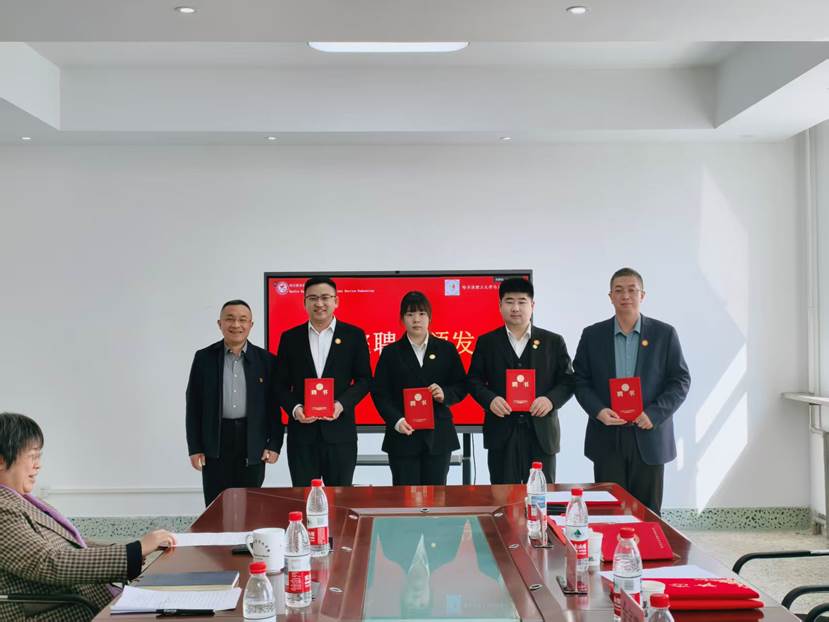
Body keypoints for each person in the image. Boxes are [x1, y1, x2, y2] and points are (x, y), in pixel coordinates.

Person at [0, 412, 175, 622]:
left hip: (78, 600)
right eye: (32, 456)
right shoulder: (3, 508)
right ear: (1, 460)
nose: (38, 465)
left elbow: (73, 544)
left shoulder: (24, 501)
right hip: (58, 610)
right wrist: (134, 551)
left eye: (39, 456)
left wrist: (135, 549)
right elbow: (48, 563)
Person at [573, 267, 690, 514]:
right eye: (618, 290)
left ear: (642, 295)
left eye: (631, 290)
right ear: (610, 297)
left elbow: (680, 381)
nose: (625, 296)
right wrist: (598, 411)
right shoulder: (593, 335)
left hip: (649, 434)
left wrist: (654, 414)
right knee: (608, 511)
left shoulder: (664, 334)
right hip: (607, 436)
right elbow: (580, 381)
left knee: (647, 513)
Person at [467, 277, 575, 484]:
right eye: (509, 301)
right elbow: (473, 380)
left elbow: (568, 380)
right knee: (502, 495)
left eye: (522, 301)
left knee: (542, 494)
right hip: (501, 433)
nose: (515, 308)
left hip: (541, 434)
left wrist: (550, 400)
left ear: (532, 305)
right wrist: (490, 400)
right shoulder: (487, 342)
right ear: (500, 305)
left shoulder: (553, 342)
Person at [276, 277, 372, 486]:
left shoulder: (354, 335)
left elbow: (365, 380)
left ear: (336, 301)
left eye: (325, 297)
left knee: (340, 497)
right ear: (304, 302)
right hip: (302, 437)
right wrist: (295, 409)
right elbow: (279, 385)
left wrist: (341, 405)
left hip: (341, 435)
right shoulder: (290, 338)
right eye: (313, 298)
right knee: (304, 496)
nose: (319, 303)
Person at [186, 299, 282, 506]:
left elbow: (274, 407)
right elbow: (193, 406)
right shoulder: (204, 358)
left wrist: (274, 444)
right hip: (216, 440)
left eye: (242, 319)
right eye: (230, 319)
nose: (236, 325)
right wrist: (194, 447)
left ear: (251, 324)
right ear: (219, 323)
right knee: (216, 504)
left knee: (251, 504)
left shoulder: (266, 360)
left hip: (252, 440)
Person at [372, 291, 467, 485]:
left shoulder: (446, 349)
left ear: (430, 317)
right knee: (404, 497)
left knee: (436, 496)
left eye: (422, 314)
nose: (416, 319)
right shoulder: (390, 353)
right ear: (402, 319)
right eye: (410, 314)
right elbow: (380, 394)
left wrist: (445, 394)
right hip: (402, 436)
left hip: (438, 436)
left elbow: (462, 385)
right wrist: (396, 420)